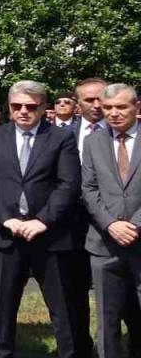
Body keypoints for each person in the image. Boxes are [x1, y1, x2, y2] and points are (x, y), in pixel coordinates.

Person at [0, 80, 85, 358]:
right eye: (16, 106)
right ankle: (1, 354)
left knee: (62, 307)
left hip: (49, 236)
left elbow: (67, 184)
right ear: (9, 107)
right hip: (5, 236)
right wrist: (5, 220)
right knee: (2, 307)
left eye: (31, 106)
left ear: (43, 107)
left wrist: (43, 220)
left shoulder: (61, 138)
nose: (23, 111)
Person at [81, 82, 141, 357]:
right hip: (104, 244)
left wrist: (134, 224)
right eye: (107, 108)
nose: (114, 113)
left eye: (121, 107)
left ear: (137, 108)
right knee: (107, 321)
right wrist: (111, 224)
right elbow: (88, 189)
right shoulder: (93, 141)